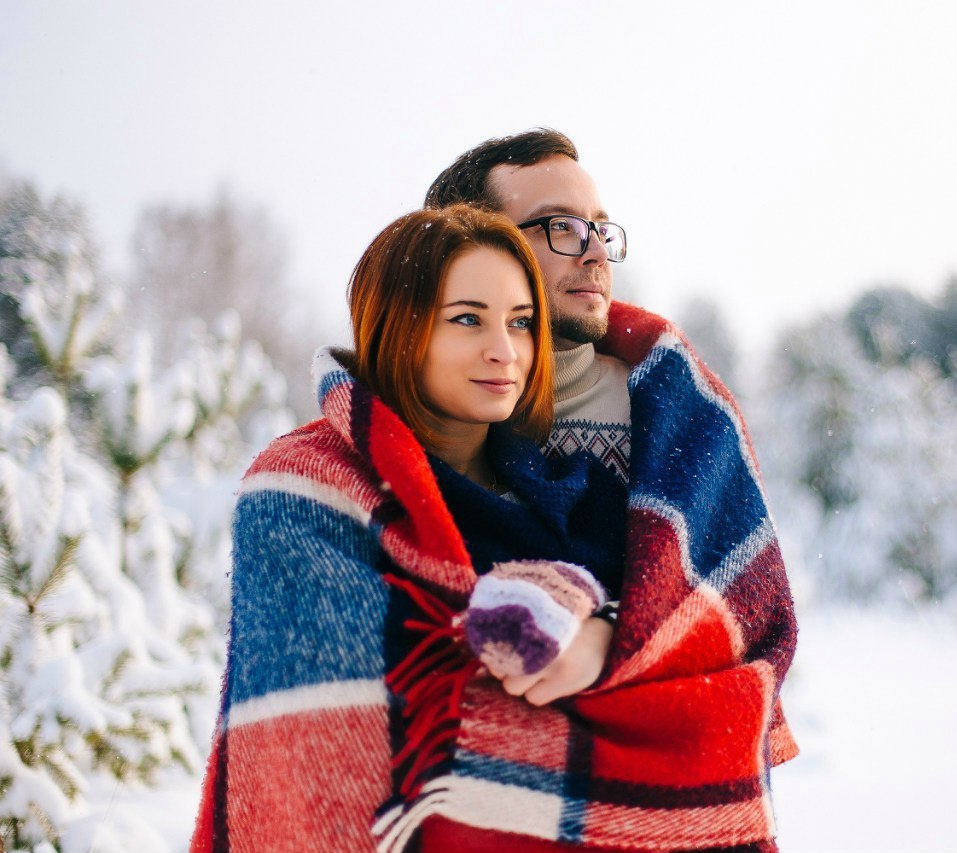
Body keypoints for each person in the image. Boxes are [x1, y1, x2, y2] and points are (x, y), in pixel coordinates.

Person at [190, 204, 630, 851]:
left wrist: (604, 631)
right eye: (466, 319)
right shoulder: (303, 487)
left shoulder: (580, 499)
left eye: (521, 322)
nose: (504, 351)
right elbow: (322, 729)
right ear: (401, 328)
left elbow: (678, 658)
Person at [422, 130, 800, 851]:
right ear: (473, 252)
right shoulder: (416, 429)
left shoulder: (681, 411)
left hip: (671, 818)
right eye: (562, 227)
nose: (595, 251)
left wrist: (611, 641)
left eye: (599, 228)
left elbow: (754, 625)